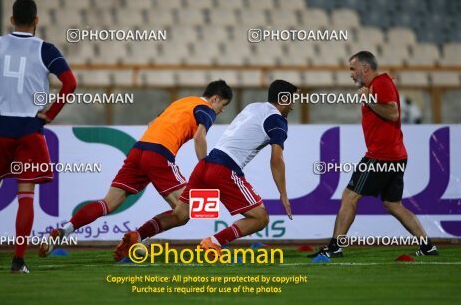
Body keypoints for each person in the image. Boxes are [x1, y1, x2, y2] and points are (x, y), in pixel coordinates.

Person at [0, 0, 77, 273]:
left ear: (11, 20)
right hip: (30, 130)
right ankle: (18, 262)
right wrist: (51, 113)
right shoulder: (46, 49)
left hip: (0, 128)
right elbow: (70, 82)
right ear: (36, 21)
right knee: (26, 196)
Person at [40, 80, 233, 257]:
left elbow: (152, 124)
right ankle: (137, 237)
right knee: (184, 213)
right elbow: (200, 137)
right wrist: (206, 168)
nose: (220, 111)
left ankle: (65, 230)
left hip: (138, 150)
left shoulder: (180, 103)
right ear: (215, 98)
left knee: (108, 203)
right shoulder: (207, 109)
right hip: (159, 155)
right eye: (222, 105)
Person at [113, 80, 296, 260]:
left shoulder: (253, 107)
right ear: (284, 99)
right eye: (293, 99)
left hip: (204, 165)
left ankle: (138, 235)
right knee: (260, 217)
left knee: (180, 214)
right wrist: (283, 194)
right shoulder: (277, 120)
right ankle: (215, 242)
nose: (294, 106)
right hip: (225, 169)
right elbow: (276, 159)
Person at [309, 51, 438, 258]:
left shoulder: (380, 84)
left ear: (365, 68)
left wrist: (368, 100)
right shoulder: (378, 84)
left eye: (353, 69)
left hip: (381, 155)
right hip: (395, 154)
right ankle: (427, 246)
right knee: (393, 204)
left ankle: (335, 248)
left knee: (350, 196)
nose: (351, 74)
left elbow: (394, 112)